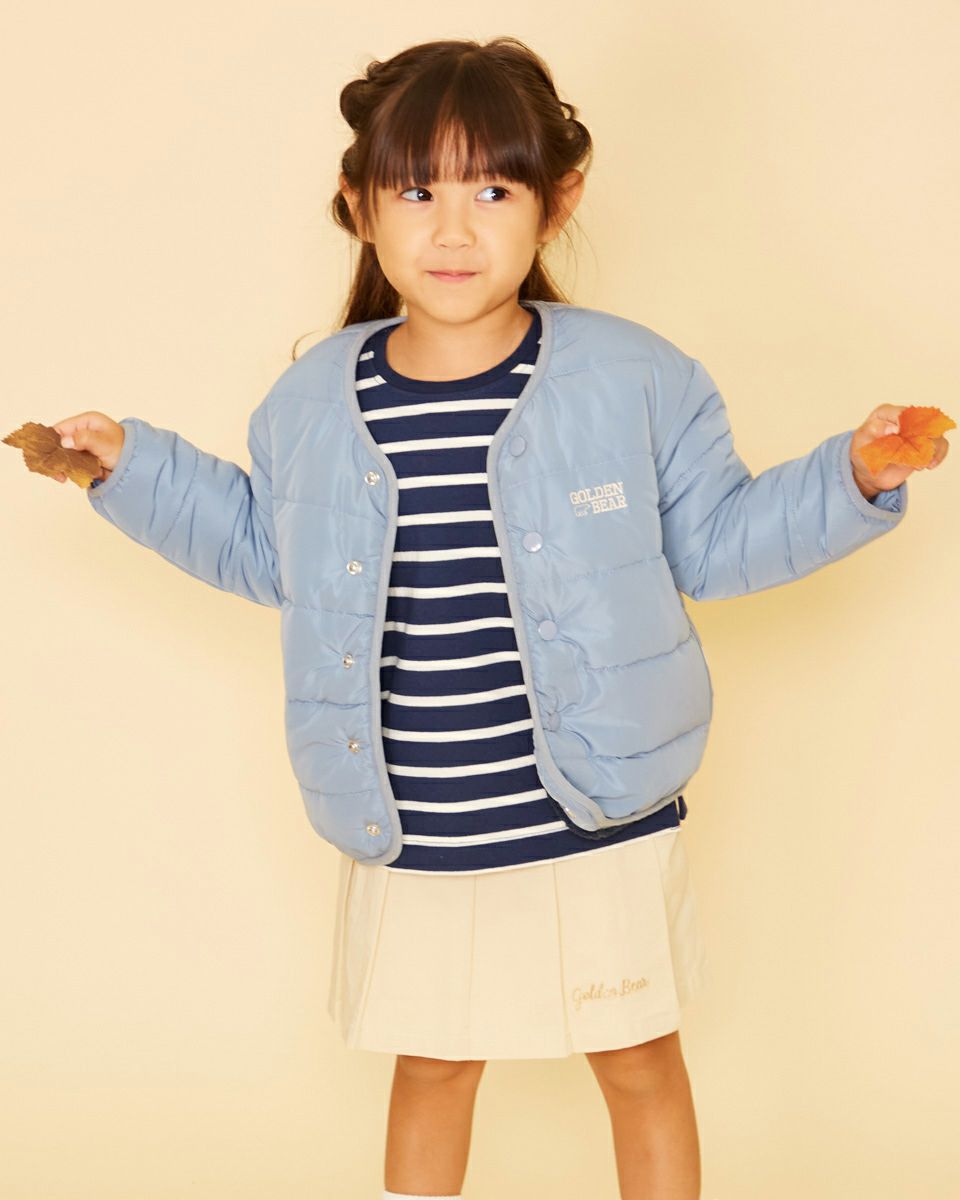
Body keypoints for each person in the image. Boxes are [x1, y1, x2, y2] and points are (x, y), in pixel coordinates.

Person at [48, 36, 948, 1200]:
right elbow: (266, 550)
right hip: (414, 817)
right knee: (432, 1065)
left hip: (600, 808)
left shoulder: (633, 378)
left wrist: (852, 479)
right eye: (417, 191)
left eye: (492, 190)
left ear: (554, 201)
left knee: (638, 1061)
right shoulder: (314, 399)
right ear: (359, 208)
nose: (454, 230)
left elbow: (719, 540)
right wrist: (133, 470)